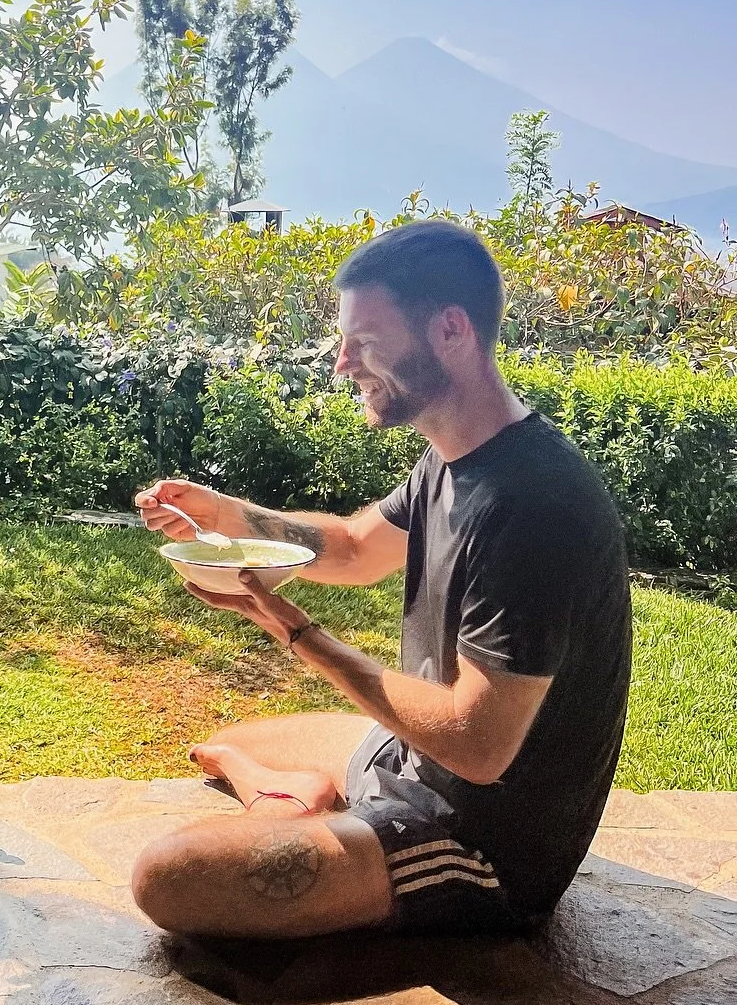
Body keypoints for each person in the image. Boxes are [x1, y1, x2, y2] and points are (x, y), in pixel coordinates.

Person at [131, 220, 631, 944]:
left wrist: (299, 635)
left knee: (168, 877)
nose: (342, 365)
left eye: (364, 342)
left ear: (451, 331)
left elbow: (478, 746)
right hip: (410, 756)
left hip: (478, 838)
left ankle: (297, 813)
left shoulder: (534, 505)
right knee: (233, 740)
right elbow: (353, 549)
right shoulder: (454, 460)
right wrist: (229, 515)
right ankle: (296, 798)